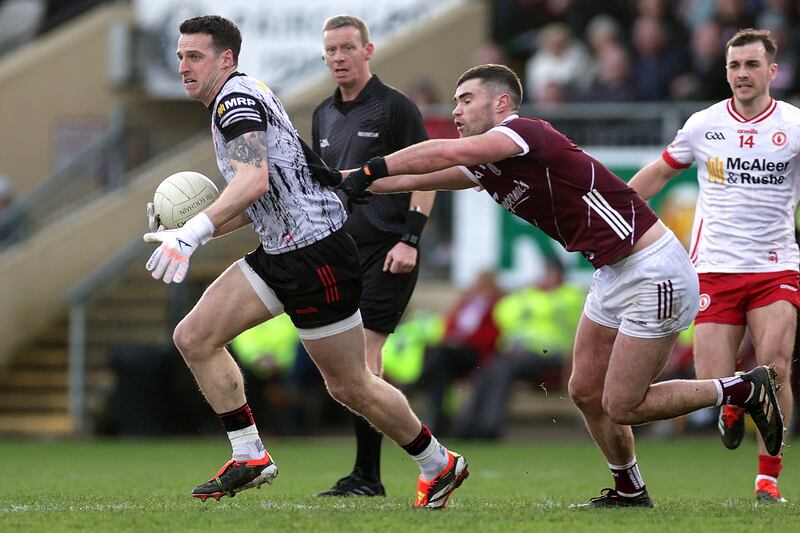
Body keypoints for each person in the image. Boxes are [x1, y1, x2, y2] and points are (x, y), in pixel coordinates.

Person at [339, 63, 784, 507]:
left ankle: (742, 388)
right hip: (613, 272)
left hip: (653, 270)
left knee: (625, 405)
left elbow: (441, 155)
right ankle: (629, 488)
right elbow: (414, 178)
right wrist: (343, 181)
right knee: (585, 390)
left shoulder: (523, 132)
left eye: (465, 100)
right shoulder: (488, 164)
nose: (455, 111)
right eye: (454, 102)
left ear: (501, 103)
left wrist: (368, 170)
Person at [141, 15, 467, 509]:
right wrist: (187, 234)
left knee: (351, 385)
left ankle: (437, 462)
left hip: (317, 256)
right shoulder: (236, 99)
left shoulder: (235, 101)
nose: (183, 65)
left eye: (195, 56)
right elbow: (261, 199)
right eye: (181, 56)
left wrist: (195, 229)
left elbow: (251, 181)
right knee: (194, 336)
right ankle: (249, 454)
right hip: (281, 253)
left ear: (226, 59)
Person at [628, 28, 797, 503]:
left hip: (775, 267)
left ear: (772, 71)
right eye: (734, 66)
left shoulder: (794, 125)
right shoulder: (704, 124)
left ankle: (768, 476)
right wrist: (615, 211)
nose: (742, 74)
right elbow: (660, 172)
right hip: (714, 269)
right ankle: (730, 404)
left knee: (776, 366)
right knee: (711, 381)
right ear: (726, 71)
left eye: (751, 65)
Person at [310, 14, 437, 498]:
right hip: (342, 251)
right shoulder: (323, 113)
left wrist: (411, 238)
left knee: (363, 361)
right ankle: (370, 472)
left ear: (368, 50)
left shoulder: (394, 107)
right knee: (345, 370)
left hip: (389, 250)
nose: (338, 57)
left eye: (347, 48)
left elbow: (428, 172)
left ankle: (371, 474)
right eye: (331, 51)